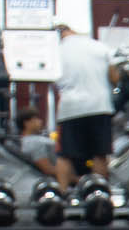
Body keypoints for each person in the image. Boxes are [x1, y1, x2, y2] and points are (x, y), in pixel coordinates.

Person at [50, 22, 116, 186]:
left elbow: (52, 81)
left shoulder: (55, 51)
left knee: (64, 156)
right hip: (100, 106)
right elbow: (114, 77)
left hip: (71, 108)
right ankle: (98, 193)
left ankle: (62, 197)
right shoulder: (99, 46)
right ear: (72, 30)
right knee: (99, 155)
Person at [13, 110, 60, 177]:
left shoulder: (27, 141)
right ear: (27, 123)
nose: (40, 121)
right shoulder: (36, 143)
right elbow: (48, 169)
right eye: (36, 119)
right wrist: (73, 178)